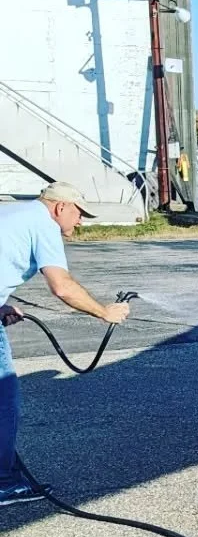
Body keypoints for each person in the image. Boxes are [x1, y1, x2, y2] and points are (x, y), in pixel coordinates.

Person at [0, 182, 130, 505]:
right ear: (60, 208)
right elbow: (62, 287)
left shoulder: (16, 213)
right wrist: (104, 312)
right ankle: (3, 483)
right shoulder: (45, 225)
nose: (81, 220)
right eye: (79, 212)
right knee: (4, 399)